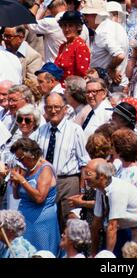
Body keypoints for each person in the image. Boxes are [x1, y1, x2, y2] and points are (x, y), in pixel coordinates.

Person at [86, 158, 137, 258]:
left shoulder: (117, 190)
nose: (85, 177)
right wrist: (93, 254)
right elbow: (96, 224)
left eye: (89, 174)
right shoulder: (101, 190)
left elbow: (112, 227)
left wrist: (106, 256)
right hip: (136, 231)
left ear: (102, 176)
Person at [32, 92, 89, 230]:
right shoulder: (40, 131)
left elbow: (84, 163)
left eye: (57, 107)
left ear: (65, 108)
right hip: (45, 183)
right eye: (49, 107)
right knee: (46, 223)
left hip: (68, 182)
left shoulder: (75, 130)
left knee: (67, 223)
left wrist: (82, 191)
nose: (53, 111)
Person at [9, 138, 60, 256]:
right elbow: (17, 196)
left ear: (31, 154)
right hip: (25, 220)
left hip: (41, 223)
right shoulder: (26, 169)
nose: (20, 162)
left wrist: (22, 180)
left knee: (41, 253)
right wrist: (15, 184)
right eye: (18, 159)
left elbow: (40, 198)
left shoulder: (45, 169)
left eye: (21, 158)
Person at [55, 11, 90, 82]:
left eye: (70, 26)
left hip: (73, 88)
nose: (67, 29)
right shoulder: (63, 46)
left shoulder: (80, 46)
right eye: (64, 25)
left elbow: (83, 73)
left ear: (78, 27)